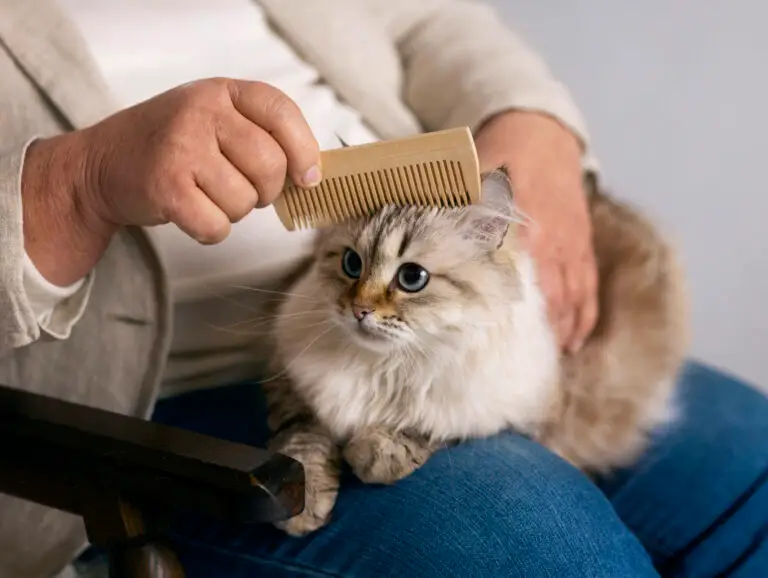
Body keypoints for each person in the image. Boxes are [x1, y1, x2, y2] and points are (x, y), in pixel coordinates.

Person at [0, 0, 766, 576]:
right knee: (542, 550)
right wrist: (77, 185)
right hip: (161, 407)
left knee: (753, 462)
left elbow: (424, 18)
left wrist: (530, 119)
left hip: (442, 309)